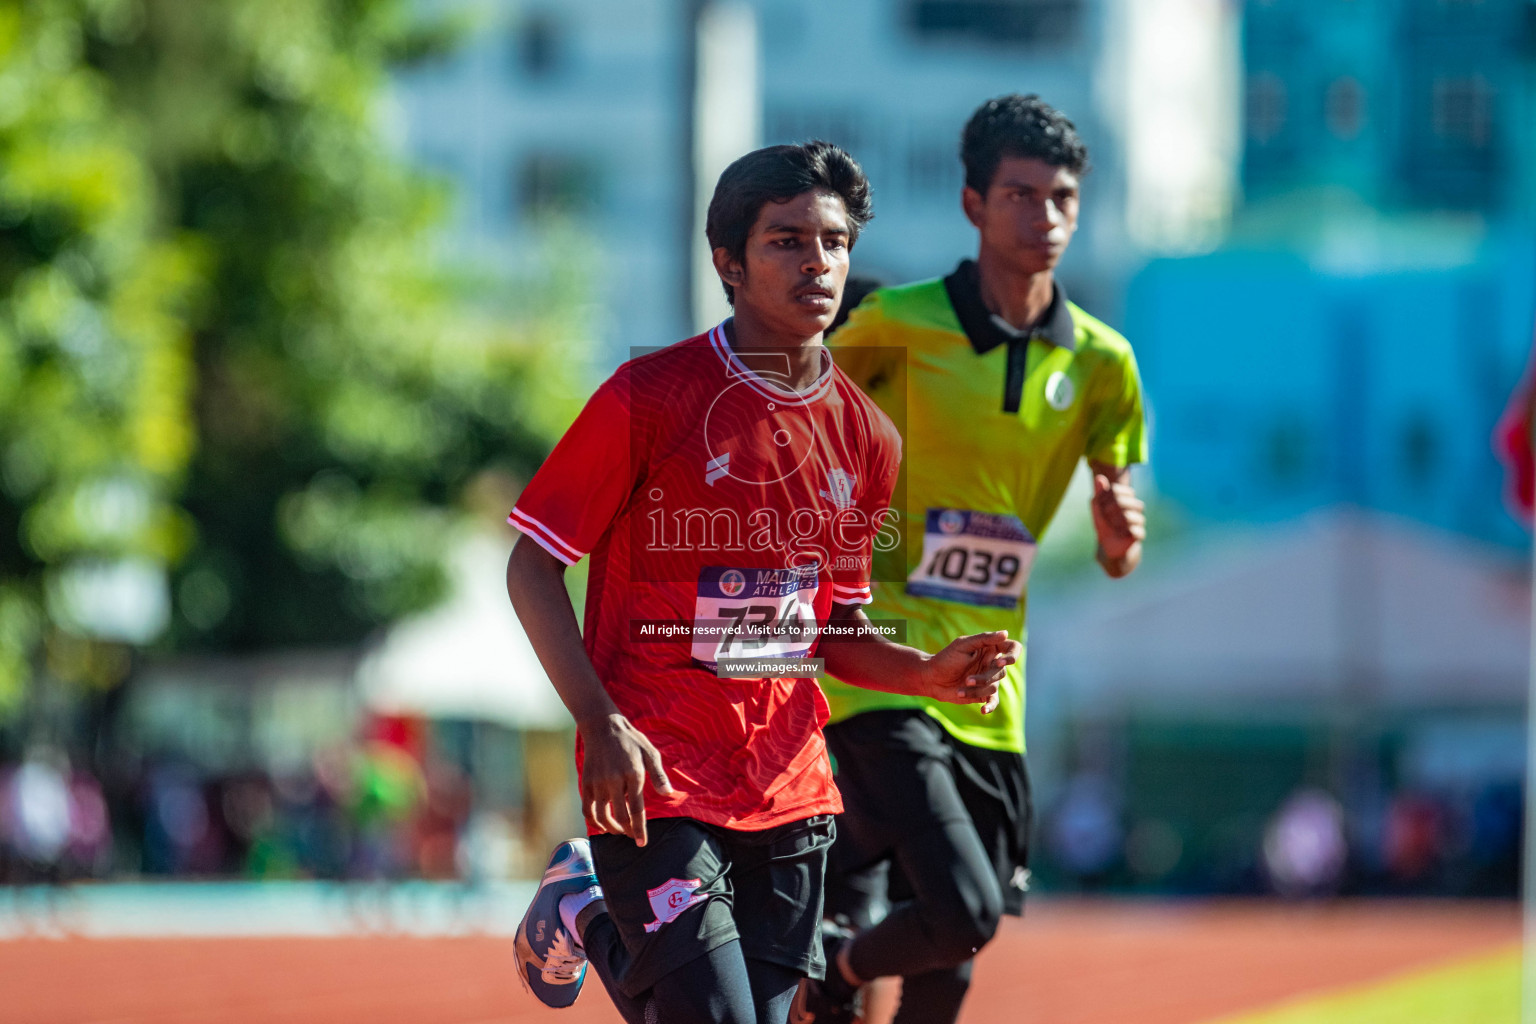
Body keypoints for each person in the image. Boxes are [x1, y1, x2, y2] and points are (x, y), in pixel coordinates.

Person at [505, 141, 1020, 1024]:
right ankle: (593, 902)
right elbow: (534, 565)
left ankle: (583, 911)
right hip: (654, 771)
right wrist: (600, 720)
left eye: (832, 241)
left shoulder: (869, 437)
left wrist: (925, 674)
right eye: (786, 240)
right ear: (729, 264)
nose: (816, 261)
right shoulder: (648, 397)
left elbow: (831, 630)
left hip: (787, 785)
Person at [802, 95, 1149, 1024]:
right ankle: (831, 974)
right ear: (972, 204)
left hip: (991, 685)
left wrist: (1118, 540)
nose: (1045, 218)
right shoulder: (892, 326)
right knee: (962, 907)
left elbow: (1117, 549)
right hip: (877, 667)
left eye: (1062, 199)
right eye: (1020, 195)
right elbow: (787, 426)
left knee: (946, 957)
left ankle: (827, 976)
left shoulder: (1107, 366)